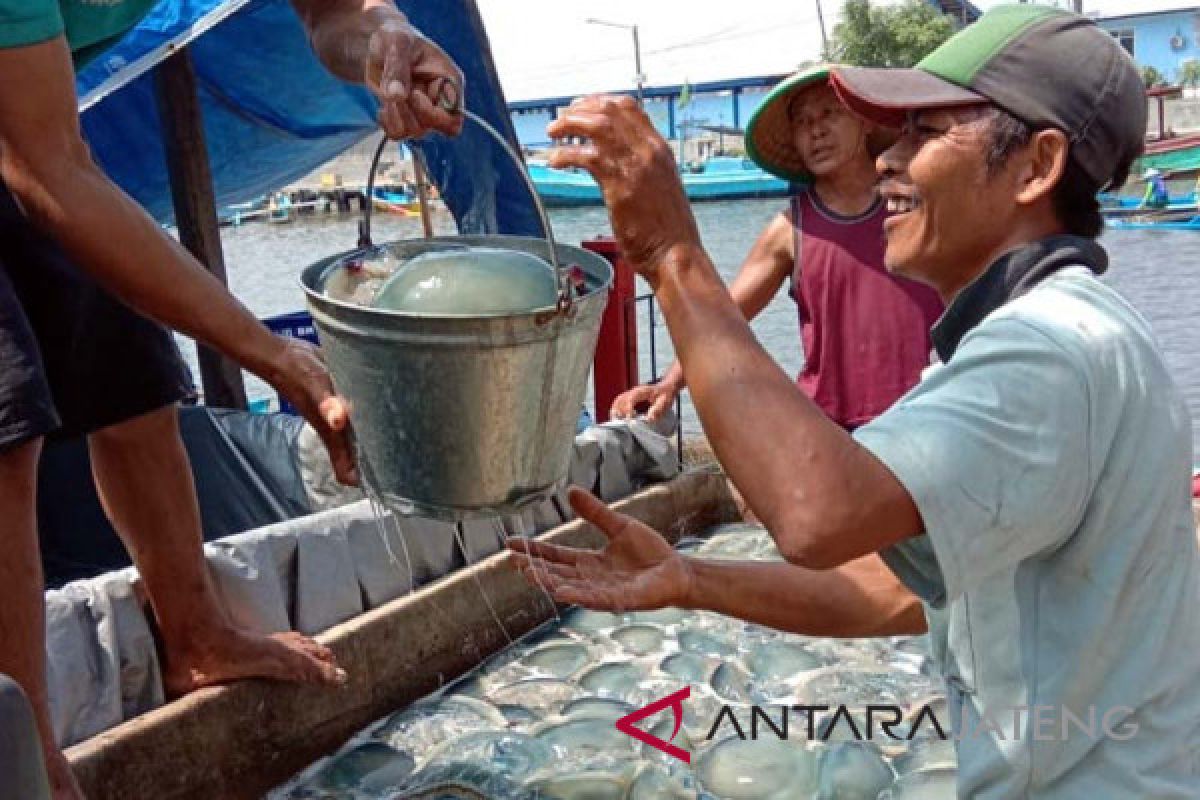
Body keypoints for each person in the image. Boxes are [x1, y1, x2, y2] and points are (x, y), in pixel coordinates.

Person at [512, 5, 1200, 795]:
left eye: (924, 134)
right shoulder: (1065, 332)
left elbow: (814, 513)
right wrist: (692, 581)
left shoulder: (1046, 348)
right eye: (889, 138)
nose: (885, 163)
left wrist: (671, 254)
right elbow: (898, 588)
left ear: (1036, 166)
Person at [0, 1, 463, 797]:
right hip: (31, 140)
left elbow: (333, 11)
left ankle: (196, 636)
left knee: (133, 372)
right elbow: (44, 166)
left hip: (33, 126)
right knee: (9, 425)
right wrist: (273, 355)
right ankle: (26, 755)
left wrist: (384, 35)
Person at [611, 66, 942, 433]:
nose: (816, 131)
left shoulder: (918, 205)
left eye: (829, 114)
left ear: (864, 122)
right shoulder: (790, 230)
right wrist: (670, 383)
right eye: (802, 122)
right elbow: (725, 319)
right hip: (835, 432)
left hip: (930, 413)